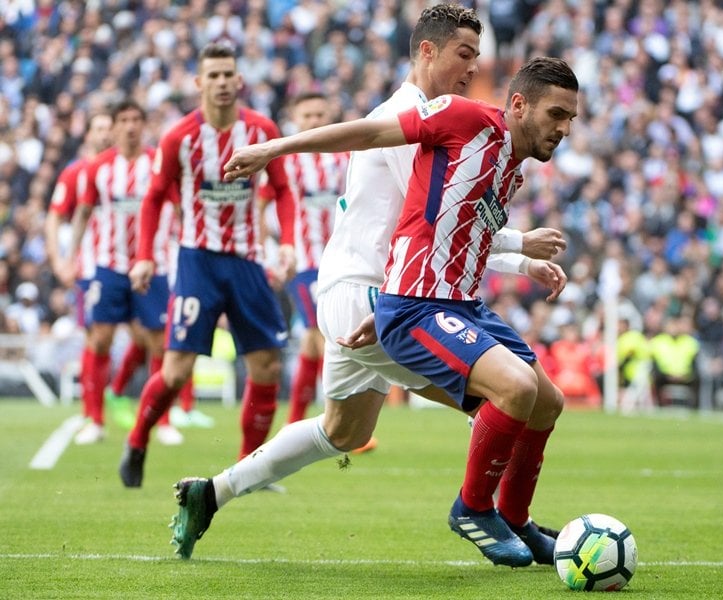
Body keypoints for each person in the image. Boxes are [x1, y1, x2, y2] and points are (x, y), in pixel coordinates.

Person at [170, 6, 567, 567]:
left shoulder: (432, 118)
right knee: (512, 396)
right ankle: (489, 515)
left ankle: (211, 493)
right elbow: (439, 225)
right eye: (464, 54)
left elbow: (453, 228)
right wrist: (520, 252)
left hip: (364, 290)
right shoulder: (414, 120)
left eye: (477, 57)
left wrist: (519, 255)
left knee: (343, 431)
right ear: (427, 51)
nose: (472, 68)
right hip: (375, 293)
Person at [120, 42, 297, 487]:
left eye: (228, 75)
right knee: (177, 370)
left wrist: (289, 243)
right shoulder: (179, 137)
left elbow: (283, 189)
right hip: (197, 259)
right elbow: (154, 198)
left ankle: (246, 469)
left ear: (239, 81)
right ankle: (138, 440)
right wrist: (144, 256)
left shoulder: (261, 130)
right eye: (212, 76)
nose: (221, 83)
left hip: (248, 261)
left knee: (267, 368)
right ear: (199, 83)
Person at [62, 100, 182, 446]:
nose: (130, 126)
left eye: (136, 120)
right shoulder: (98, 167)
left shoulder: (158, 163)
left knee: (159, 342)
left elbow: (177, 209)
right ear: (114, 127)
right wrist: (73, 258)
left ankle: (164, 421)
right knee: (100, 338)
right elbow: (83, 214)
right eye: (124, 120)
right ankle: (95, 420)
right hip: (109, 265)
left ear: (144, 125)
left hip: (153, 264)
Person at [265, 92, 350, 426]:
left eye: (319, 114)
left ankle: (295, 422)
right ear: (295, 119)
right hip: (306, 263)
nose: (314, 121)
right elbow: (261, 206)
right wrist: (272, 253)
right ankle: (337, 420)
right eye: (307, 115)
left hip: (340, 261)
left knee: (313, 346)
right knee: (322, 334)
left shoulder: (344, 158)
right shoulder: (286, 161)